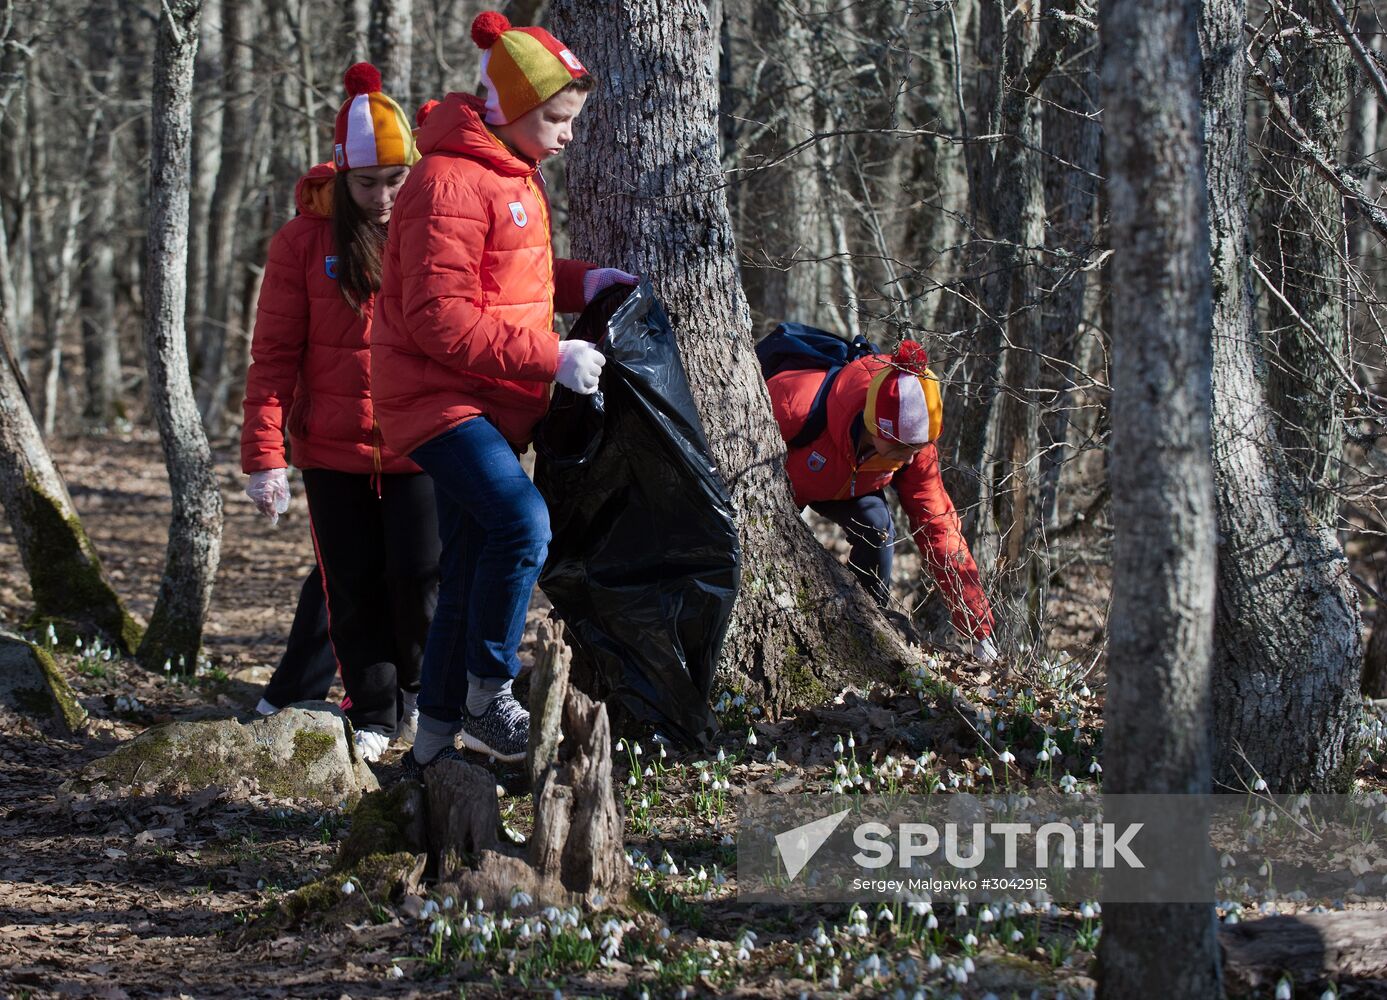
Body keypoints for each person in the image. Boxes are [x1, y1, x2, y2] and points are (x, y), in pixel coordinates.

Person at [373, 11, 636, 768]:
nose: (567, 134)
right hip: (434, 398)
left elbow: (503, 285)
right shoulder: (446, 179)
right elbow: (437, 316)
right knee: (522, 524)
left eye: (571, 119)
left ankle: (428, 751)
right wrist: (551, 357)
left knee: (467, 565)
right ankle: (489, 690)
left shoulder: (509, 174)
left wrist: (583, 282)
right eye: (555, 118)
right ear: (511, 109)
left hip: (484, 397)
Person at [241, 63, 441, 761]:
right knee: (349, 589)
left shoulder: (435, 226)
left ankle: (425, 705)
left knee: (418, 580)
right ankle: (373, 713)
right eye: (367, 183)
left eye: (395, 180)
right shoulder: (302, 242)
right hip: (331, 447)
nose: (383, 198)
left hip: (423, 444)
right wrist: (264, 457)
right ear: (340, 175)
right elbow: (271, 355)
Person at [767, 341, 999, 660]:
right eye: (900, 450)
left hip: (850, 489)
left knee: (878, 530)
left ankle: (864, 632)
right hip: (781, 490)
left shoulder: (914, 445)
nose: (909, 460)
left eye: (916, 450)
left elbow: (939, 526)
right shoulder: (796, 400)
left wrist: (978, 630)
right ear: (874, 424)